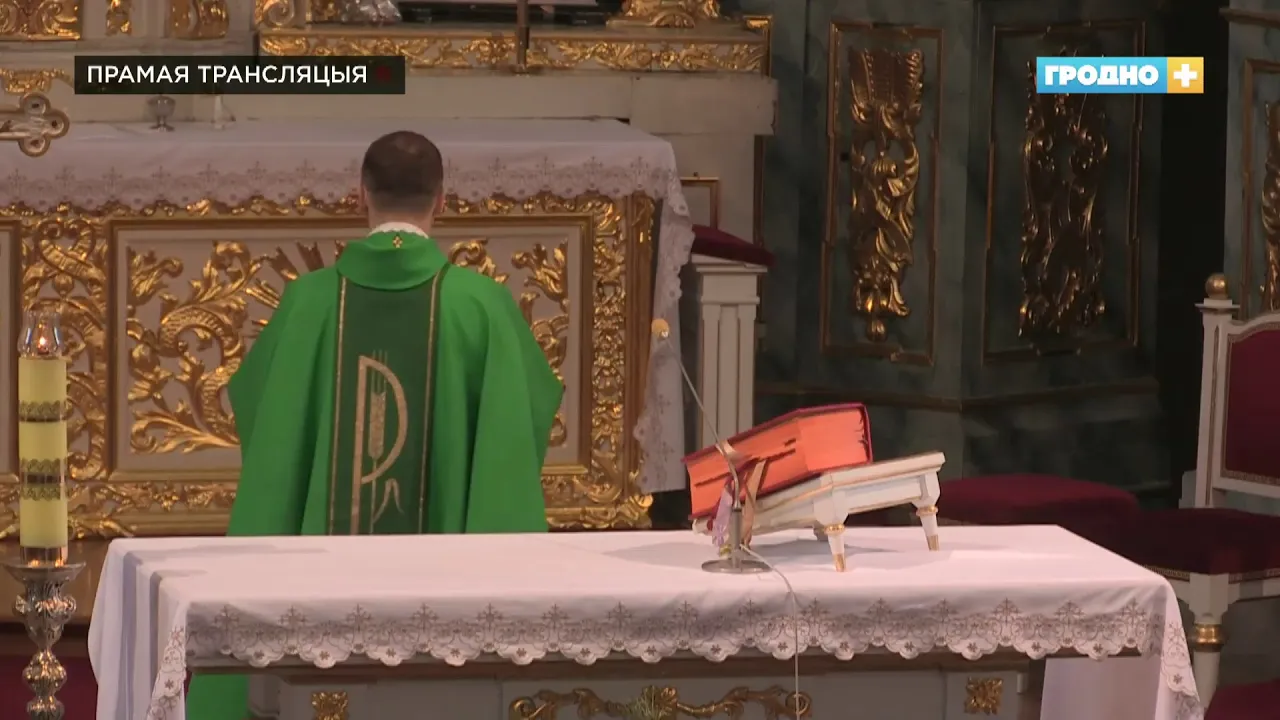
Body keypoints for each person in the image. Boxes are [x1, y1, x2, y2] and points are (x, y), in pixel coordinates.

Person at [185, 131, 563, 720]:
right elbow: (522, 420)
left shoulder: (309, 302)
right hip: (448, 592)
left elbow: (262, 412)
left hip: (318, 588)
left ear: (359, 194)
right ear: (442, 200)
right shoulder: (481, 306)